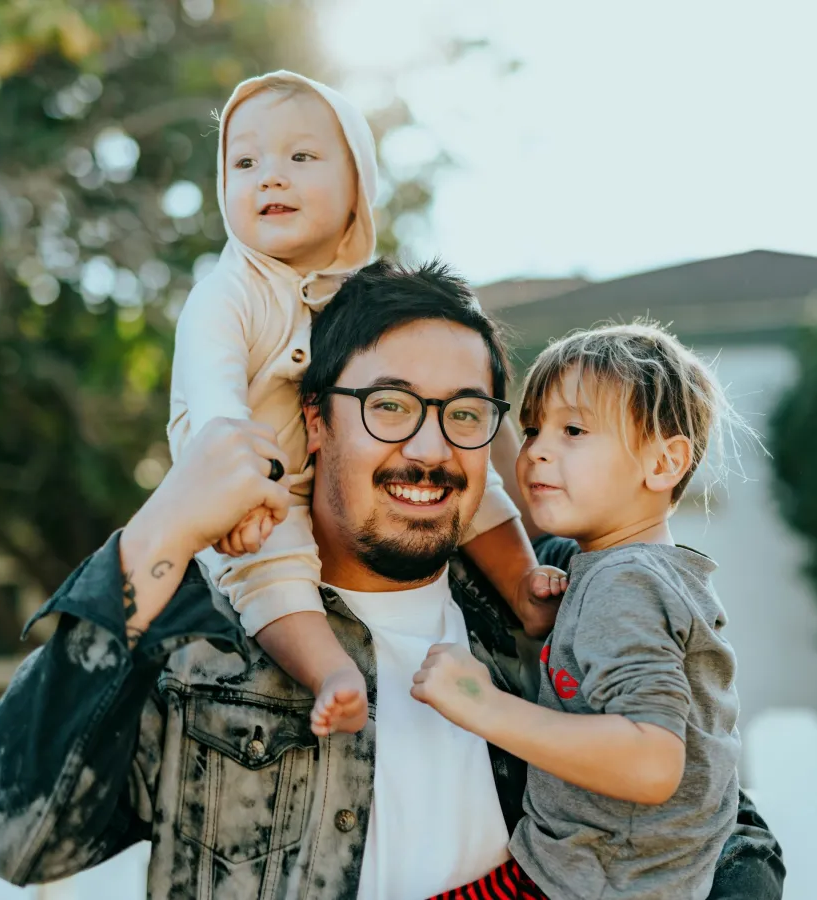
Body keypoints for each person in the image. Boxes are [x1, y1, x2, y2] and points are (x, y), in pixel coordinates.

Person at [0, 263, 784, 900]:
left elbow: (718, 819)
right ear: (318, 420)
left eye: (465, 413)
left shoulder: (547, 602)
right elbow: (13, 836)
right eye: (391, 406)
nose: (430, 449)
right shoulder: (203, 636)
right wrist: (159, 530)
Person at [167, 71, 561, 737]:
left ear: (358, 189)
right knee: (271, 572)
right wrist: (237, 495)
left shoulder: (369, 298)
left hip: (328, 479)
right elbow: (215, 405)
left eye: (300, 157)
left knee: (471, 478)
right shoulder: (229, 293)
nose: (270, 177)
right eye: (245, 162)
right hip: (249, 489)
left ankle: (524, 586)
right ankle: (331, 671)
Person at [414, 322, 757, 899]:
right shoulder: (636, 573)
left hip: (587, 881)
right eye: (531, 429)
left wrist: (481, 705)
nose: (538, 450)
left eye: (573, 429)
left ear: (664, 462)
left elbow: (651, 762)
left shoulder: (624, 583)